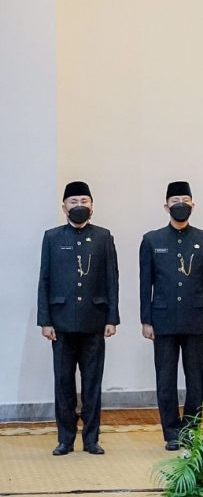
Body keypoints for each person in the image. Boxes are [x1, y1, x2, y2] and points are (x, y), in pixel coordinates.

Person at [37, 181, 119, 456]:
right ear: (64, 207)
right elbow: (44, 280)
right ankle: (65, 438)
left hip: (94, 320)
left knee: (92, 382)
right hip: (60, 323)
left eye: (84, 201)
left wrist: (112, 318)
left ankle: (91, 439)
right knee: (63, 383)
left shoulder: (104, 237)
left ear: (92, 206)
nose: (79, 206)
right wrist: (45, 321)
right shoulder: (52, 237)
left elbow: (112, 279)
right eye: (74, 202)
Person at [140, 181, 203, 450]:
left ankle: (191, 430)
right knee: (165, 379)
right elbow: (145, 283)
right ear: (166, 207)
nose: (180, 205)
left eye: (185, 200)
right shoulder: (152, 240)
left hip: (195, 319)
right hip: (162, 320)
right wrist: (146, 320)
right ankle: (171, 433)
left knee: (195, 378)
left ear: (193, 205)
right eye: (175, 201)